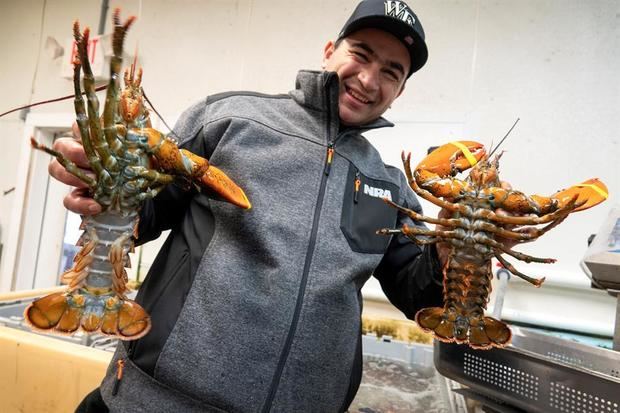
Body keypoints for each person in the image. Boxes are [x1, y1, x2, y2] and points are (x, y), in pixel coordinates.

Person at [55, 1, 445, 411]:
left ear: (399, 92)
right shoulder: (228, 119)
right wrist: (97, 182)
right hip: (151, 401)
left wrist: (447, 255)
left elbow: (419, 295)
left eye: (391, 72)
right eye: (360, 54)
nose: (368, 79)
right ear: (329, 49)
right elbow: (145, 212)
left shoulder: (390, 185)